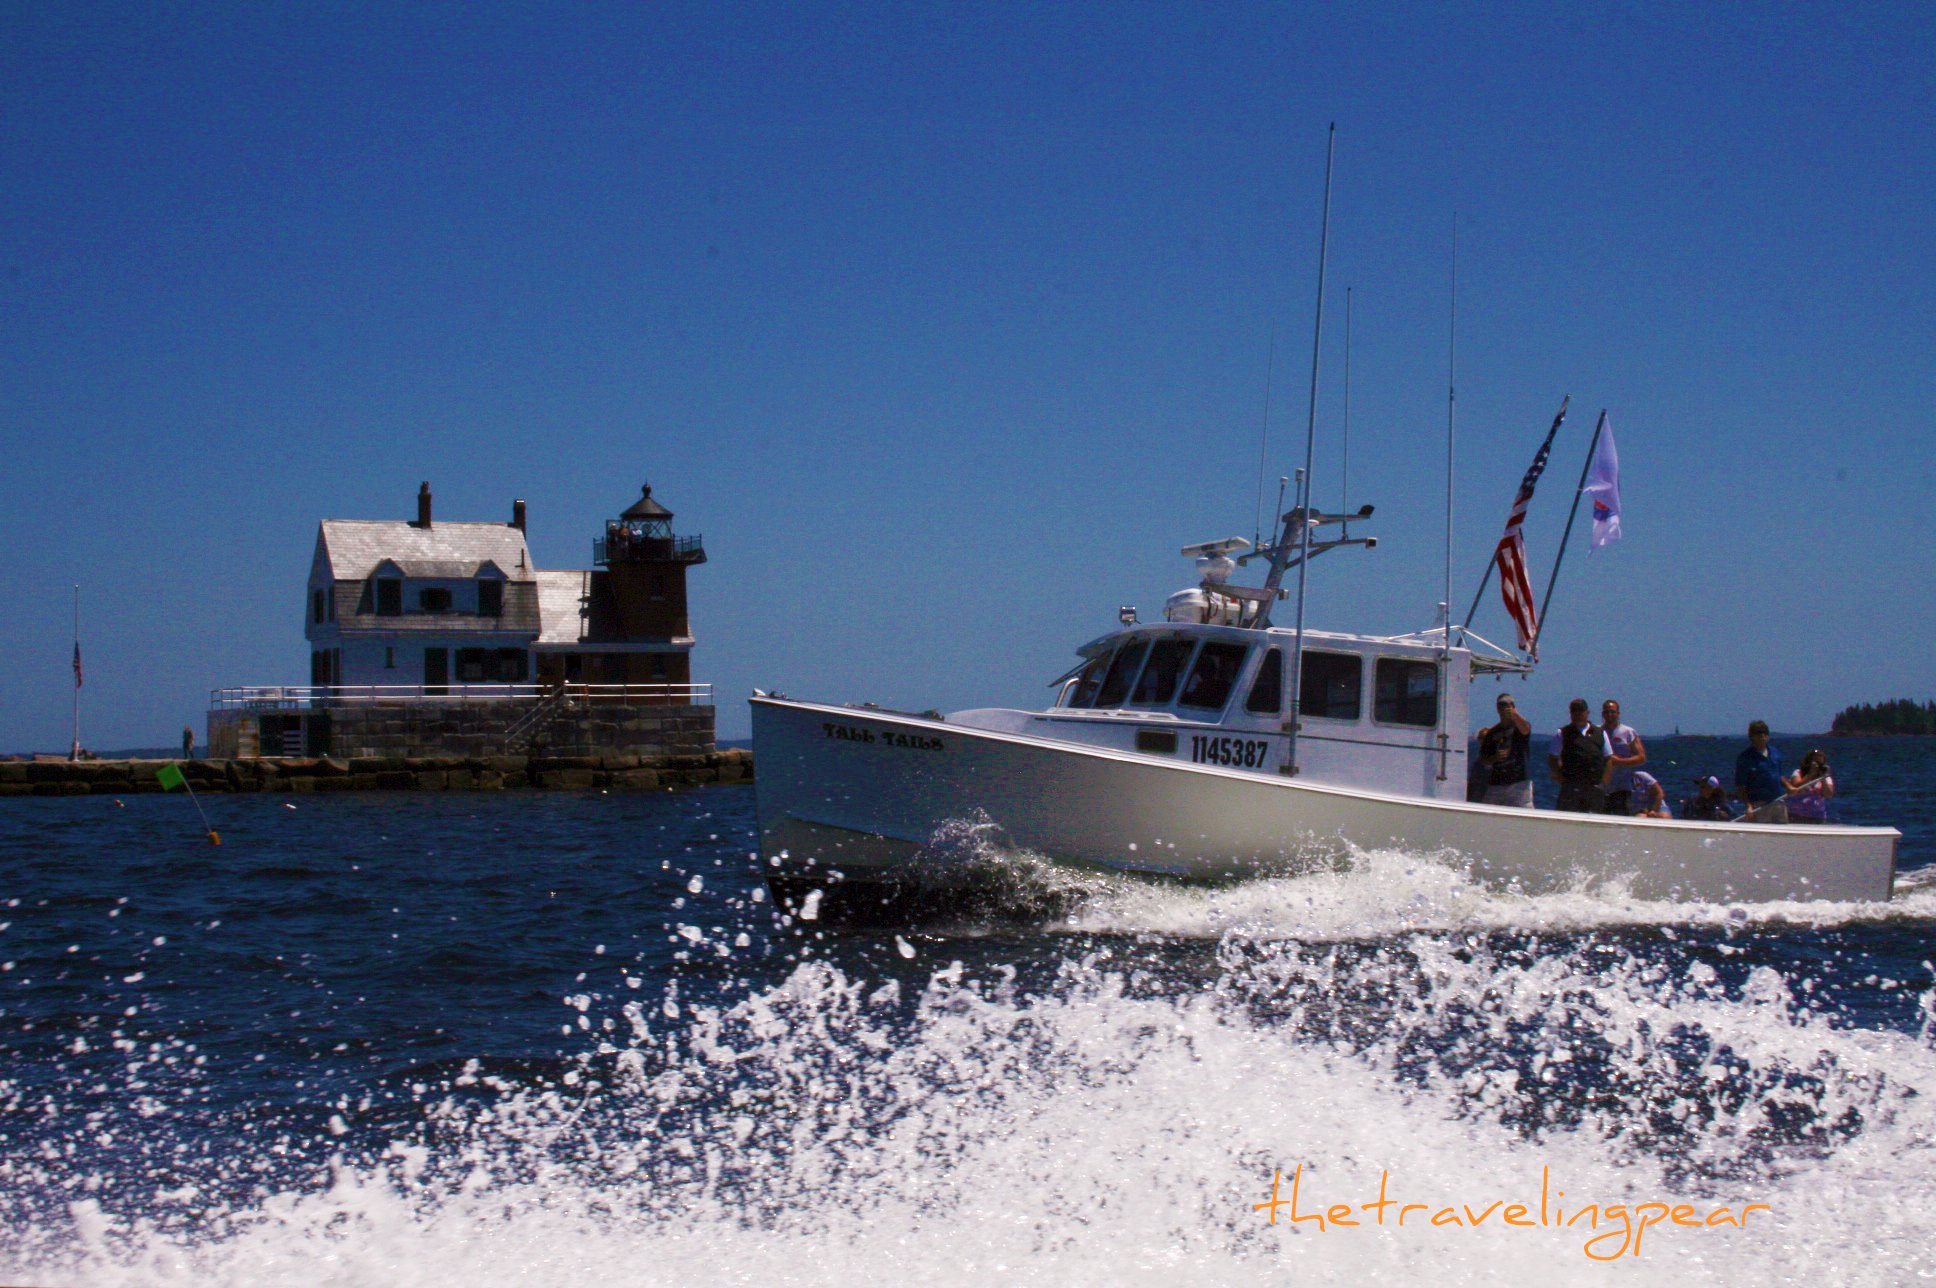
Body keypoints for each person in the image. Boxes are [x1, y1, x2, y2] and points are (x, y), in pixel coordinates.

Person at [1547, 698, 1612, 813]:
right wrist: (1561, 779)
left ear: (1587, 712)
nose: (1577, 713)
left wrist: (1603, 783)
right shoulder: (1562, 733)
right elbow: (1553, 758)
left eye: (1581, 710)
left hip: (1594, 788)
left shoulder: (1600, 733)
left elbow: (1608, 759)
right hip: (1570, 788)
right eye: (1574, 710)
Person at [1476, 692, 1534, 808]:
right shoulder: (1492, 733)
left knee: (1523, 813)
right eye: (1502, 705)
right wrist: (1495, 758)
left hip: (1519, 782)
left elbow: (1526, 729)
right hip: (1497, 782)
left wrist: (1514, 714)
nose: (1505, 708)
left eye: (1508, 705)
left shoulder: (1519, 727)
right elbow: (1483, 758)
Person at [1598, 699, 1648, 815]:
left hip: (1621, 788)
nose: (1610, 715)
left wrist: (1618, 761)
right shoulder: (1597, 731)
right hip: (1600, 788)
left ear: (1618, 713)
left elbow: (1641, 757)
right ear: (1603, 714)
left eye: (1612, 712)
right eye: (1607, 712)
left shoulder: (1628, 732)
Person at [1734, 720, 1788, 824]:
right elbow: (1741, 786)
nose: (1762, 736)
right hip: (1759, 804)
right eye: (1758, 733)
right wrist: (1748, 805)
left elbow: (1780, 775)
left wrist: (1789, 786)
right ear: (1751, 737)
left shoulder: (1775, 753)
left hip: (1778, 801)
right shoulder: (1745, 758)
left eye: (1765, 733)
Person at [1785, 749, 1836, 824]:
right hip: (1797, 814)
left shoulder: (1826, 778)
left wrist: (1823, 778)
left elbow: (1828, 794)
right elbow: (1796, 786)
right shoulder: (1798, 773)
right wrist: (1811, 774)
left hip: (1817, 816)